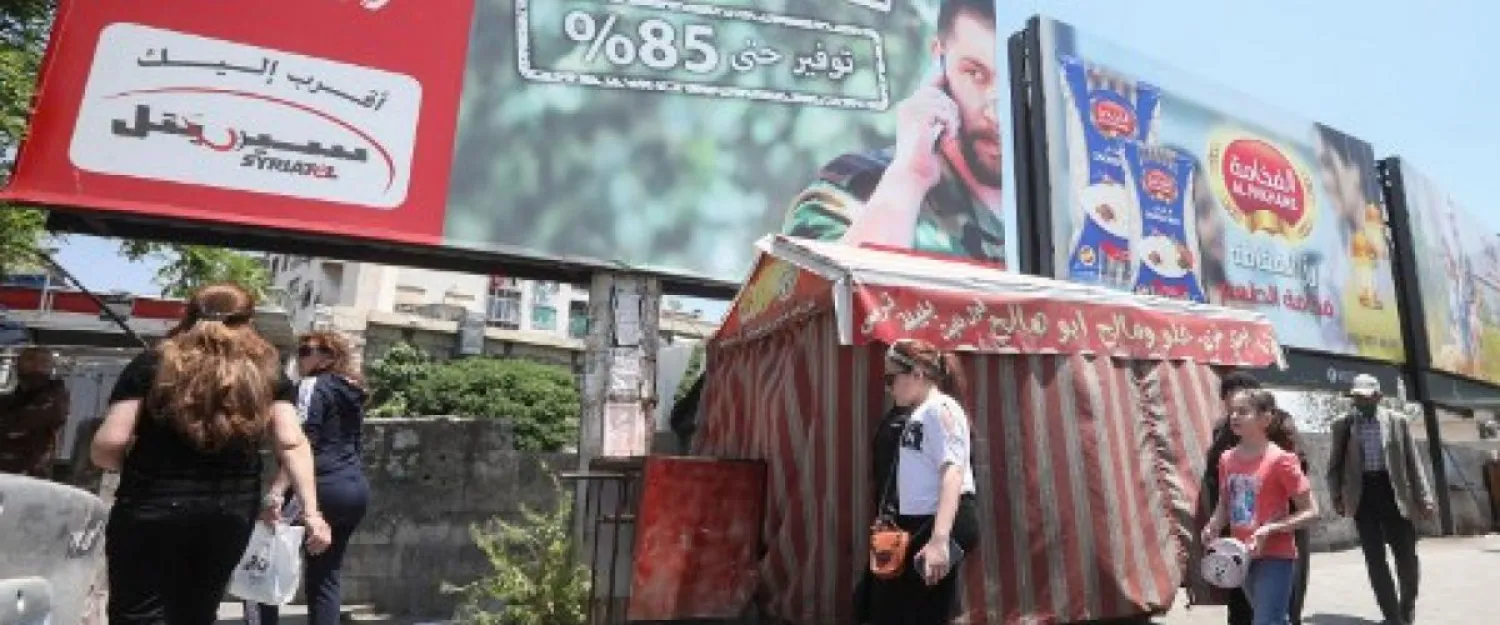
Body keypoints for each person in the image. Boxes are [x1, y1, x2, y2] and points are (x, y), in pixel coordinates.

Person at [91, 283, 332, 625]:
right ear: (248, 321)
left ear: (188, 314)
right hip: (229, 511)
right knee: (197, 611)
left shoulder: (152, 363)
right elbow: (292, 442)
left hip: (151, 504)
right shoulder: (266, 372)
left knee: (137, 612)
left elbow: (107, 445)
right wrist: (312, 512)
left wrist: (136, 467)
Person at [782, 0, 1005, 265]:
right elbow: (835, 299)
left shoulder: (1061, 215)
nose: (996, 113)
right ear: (939, 62)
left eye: (1018, 80)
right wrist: (910, 178)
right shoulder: (857, 189)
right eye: (975, 74)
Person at [256, 332, 372, 625]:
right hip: (354, 489)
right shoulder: (353, 391)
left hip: (321, 486)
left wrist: (278, 493)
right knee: (325, 575)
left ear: (329, 357)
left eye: (308, 351)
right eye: (301, 350)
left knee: (260, 564)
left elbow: (302, 442)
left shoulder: (311, 386)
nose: (302, 356)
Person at [868, 339, 979, 624]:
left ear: (917, 374)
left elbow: (952, 471)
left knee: (914, 609)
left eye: (891, 378)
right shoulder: (919, 413)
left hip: (940, 520)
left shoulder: (940, 409)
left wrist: (940, 540)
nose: (888, 386)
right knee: (901, 606)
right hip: (919, 519)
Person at [1202, 389, 1320, 625]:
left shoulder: (1282, 460)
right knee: (1272, 619)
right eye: (1231, 411)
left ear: (1265, 419)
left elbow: (1312, 512)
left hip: (1276, 556)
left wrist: (1271, 529)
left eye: (1243, 411)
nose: (1234, 416)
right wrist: (1214, 524)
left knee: (1266, 621)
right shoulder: (1226, 459)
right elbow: (1226, 502)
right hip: (1240, 556)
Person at [1327, 374, 1435, 625]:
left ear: (1378, 397)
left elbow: (1413, 461)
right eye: (1356, 398)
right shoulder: (1343, 425)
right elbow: (1334, 466)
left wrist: (1425, 498)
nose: (1360, 402)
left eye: (1365, 397)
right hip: (1362, 496)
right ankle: (1392, 617)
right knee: (1375, 560)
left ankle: (1406, 607)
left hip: (1395, 492)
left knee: (1406, 558)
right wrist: (1336, 497)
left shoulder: (1398, 422)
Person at [0, 347, 69, 478]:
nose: (37, 366)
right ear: (18, 363)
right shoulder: (15, 398)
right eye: (30, 359)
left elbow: (20, 424)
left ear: (51, 367)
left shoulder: (55, 396)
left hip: (29, 476)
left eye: (44, 362)